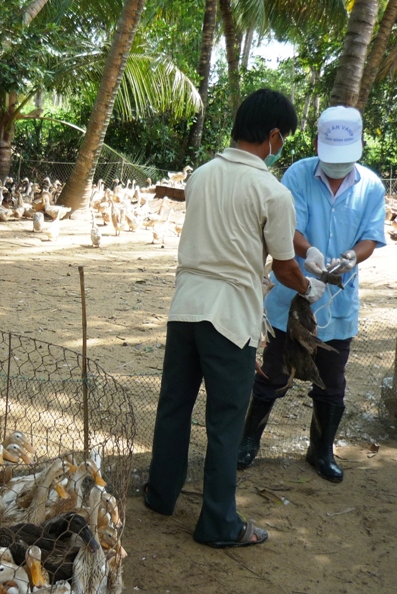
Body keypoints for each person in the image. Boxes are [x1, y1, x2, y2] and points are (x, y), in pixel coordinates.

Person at [144, 89, 326, 548]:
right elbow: (285, 267)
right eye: (283, 138)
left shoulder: (202, 176)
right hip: (229, 316)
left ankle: (160, 495)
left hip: (185, 306)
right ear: (273, 135)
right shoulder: (272, 191)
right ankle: (219, 524)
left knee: (174, 408)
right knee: (225, 422)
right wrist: (308, 286)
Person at [237, 106, 386, 482]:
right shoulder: (298, 174)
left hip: (338, 305)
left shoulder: (371, 186)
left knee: (332, 383)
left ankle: (320, 450)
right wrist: (311, 254)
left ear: (359, 147)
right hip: (290, 298)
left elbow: (371, 237)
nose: (337, 167)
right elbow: (288, 229)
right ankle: (248, 441)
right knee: (271, 375)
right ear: (318, 143)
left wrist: (352, 257)